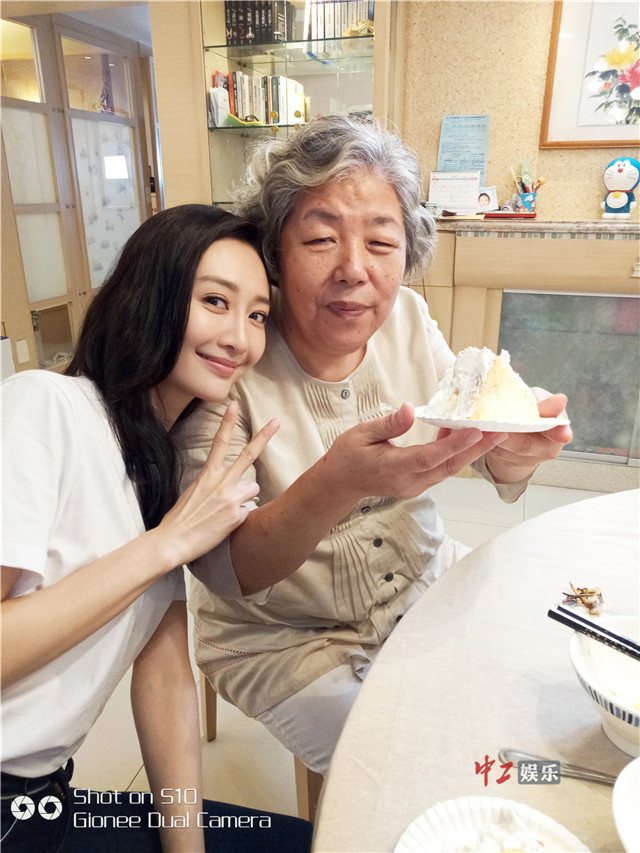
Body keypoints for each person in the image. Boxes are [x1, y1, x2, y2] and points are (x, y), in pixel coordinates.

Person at [175, 117, 573, 777]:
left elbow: (471, 433)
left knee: (536, 692)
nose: (354, 270)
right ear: (273, 253)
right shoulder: (228, 356)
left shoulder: (407, 317)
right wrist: (340, 480)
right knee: (418, 767)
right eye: (321, 239)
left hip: (424, 579)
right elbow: (224, 568)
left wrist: (510, 450)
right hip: (283, 636)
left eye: (382, 242)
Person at [0, 205, 313, 853]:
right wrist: (164, 544)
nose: (240, 338)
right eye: (215, 301)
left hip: (44, 801)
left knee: (307, 841)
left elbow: (166, 677)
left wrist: (186, 846)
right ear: (150, 295)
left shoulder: (159, 469)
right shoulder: (46, 407)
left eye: (257, 315)